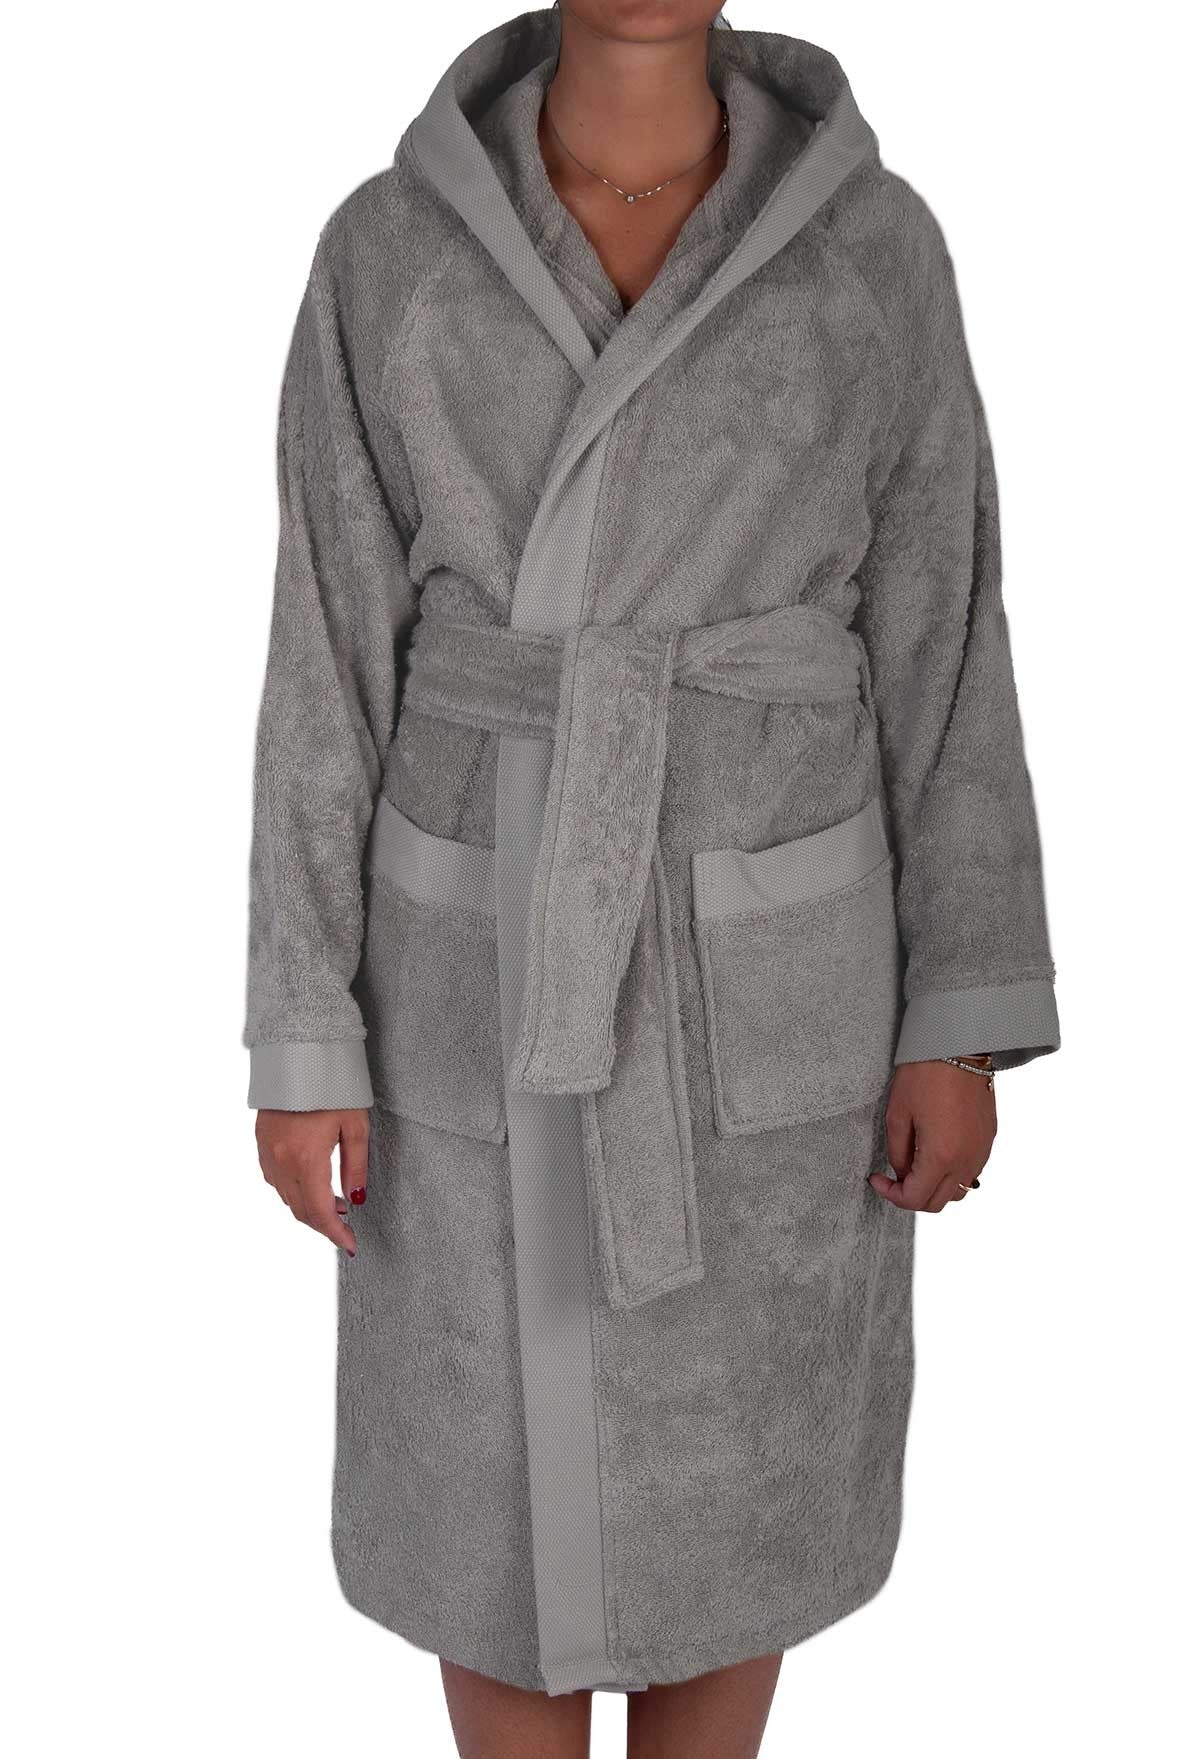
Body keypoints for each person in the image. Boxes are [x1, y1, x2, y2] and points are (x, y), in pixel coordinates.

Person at [243, 5, 1060, 1755]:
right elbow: (325, 657)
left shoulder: (872, 246)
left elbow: (943, 634)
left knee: (734, 1493)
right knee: (489, 1494)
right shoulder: (389, 249)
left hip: (763, 964)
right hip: (480, 959)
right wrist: (304, 1027)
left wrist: (961, 1009)